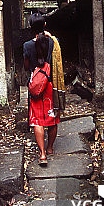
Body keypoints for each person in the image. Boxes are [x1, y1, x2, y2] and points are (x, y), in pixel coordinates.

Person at [23, 13, 65, 165]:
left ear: (30, 27)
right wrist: (51, 36)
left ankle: (42, 155)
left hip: (35, 85)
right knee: (52, 118)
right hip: (50, 85)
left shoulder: (27, 45)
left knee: (37, 120)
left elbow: (27, 66)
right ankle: (50, 148)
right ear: (45, 24)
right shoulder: (54, 42)